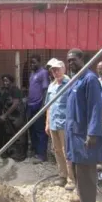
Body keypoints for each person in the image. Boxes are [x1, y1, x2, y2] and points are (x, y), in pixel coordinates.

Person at [66, 48, 102, 202]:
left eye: (73, 59)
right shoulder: (76, 80)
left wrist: (93, 133)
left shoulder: (90, 79)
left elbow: (96, 107)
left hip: (84, 133)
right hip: (74, 132)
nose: (70, 63)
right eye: (68, 60)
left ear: (82, 59)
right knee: (76, 165)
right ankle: (81, 195)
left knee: (86, 168)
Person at [44, 59, 75, 190]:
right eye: (53, 70)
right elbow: (48, 106)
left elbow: (74, 105)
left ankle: (72, 179)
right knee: (57, 151)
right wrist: (47, 123)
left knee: (67, 151)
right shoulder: (52, 86)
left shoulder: (70, 84)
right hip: (54, 123)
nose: (55, 72)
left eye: (57, 69)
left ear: (64, 69)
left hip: (65, 124)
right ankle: (62, 175)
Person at [0, 74, 27, 161]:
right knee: (9, 135)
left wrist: (5, 115)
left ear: (11, 81)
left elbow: (15, 104)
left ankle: (18, 155)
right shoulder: (5, 90)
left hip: (17, 117)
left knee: (18, 136)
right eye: (4, 81)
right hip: (10, 118)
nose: (5, 83)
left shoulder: (15, 90)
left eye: (7, 81)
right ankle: (11, 153)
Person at [28, 54, 50, 164]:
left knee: (40, 130)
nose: (32, 64)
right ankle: (36, 151)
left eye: (34, 62)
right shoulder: (32, 73)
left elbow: (45, 90)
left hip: (39, 105)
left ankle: (42, 155)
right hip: (30, 105)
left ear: (39, 62)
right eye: (31, 63)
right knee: (32, 130)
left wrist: (43, 107)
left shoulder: (43, 73)